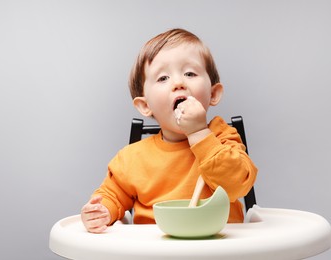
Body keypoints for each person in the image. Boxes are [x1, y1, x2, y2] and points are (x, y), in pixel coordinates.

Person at [81, 28, 258, 233]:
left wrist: (200, 133)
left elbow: (237, 184)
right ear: (145, 106)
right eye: (163, 78)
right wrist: (101, 212)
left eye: (190, 73)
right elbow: (112, 195)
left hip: (218, 248)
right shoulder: (132, 159)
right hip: (155, 251)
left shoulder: (223, 138)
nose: (178, 83)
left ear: (213, 93)